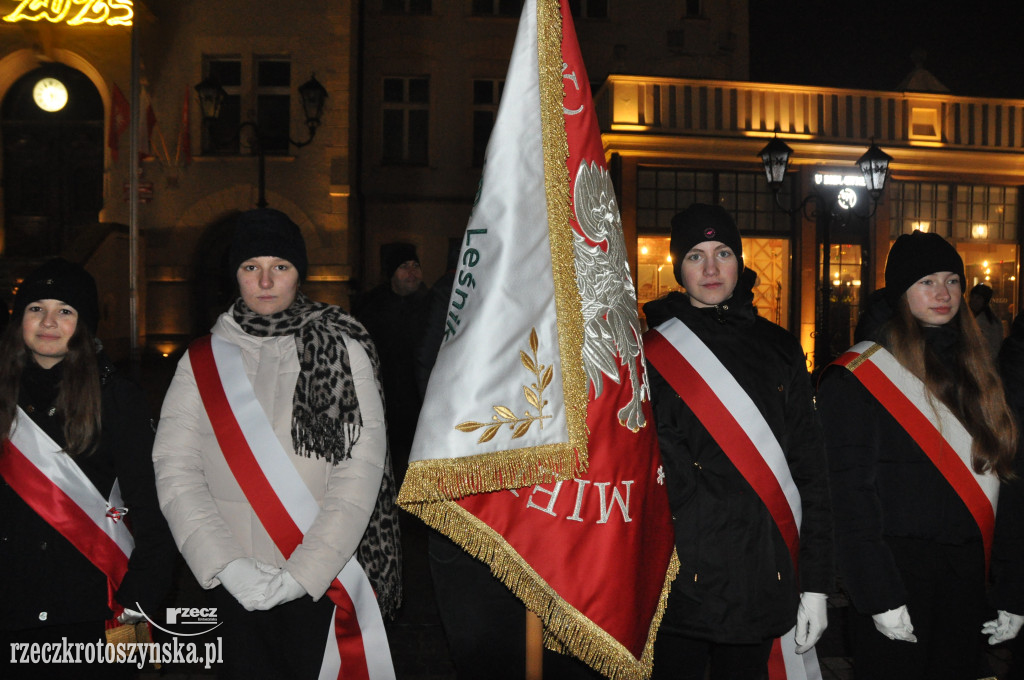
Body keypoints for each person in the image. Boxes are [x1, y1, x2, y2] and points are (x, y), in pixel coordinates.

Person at [152, 209, 402, 679]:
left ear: (298, 273)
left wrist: (303, 574)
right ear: (236, 275)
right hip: (228, 586)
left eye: (280, 267)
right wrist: (225, 565)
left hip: (319, 581)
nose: (265, 280)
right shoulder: (201, 360)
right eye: (251, 267)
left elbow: (360, 469)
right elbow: (176, 469)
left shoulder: (344, 349)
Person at [817, 230, 1024, 680]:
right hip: (896, 574)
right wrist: (877, 594)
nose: (943, 293)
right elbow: (850, 497)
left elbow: (1006, 481)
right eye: (927, 281)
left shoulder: (980, 372)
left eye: (952, 281)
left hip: (969, 576)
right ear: (900, 292)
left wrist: (1013, 589)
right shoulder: (861, 375)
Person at [643, 204, 833, 680]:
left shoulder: (781, 347)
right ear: (678, 267)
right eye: (695, 255)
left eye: (723, 252)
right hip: (679, 581)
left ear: (740, 261)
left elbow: (811, 472)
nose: (710, 268)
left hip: (758, 578)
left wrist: (816, 584)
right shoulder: (649, 353)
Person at [0, 258, 174, 679]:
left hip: (99, 610)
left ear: (84, 324)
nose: (48, 322)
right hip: (12, 606)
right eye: (36, 308)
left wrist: (139, 606)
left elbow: (155, 514)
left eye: (65, 310)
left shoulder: (118, 399)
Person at [355, 242, 429, 482]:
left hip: (420, 406)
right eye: (404, 266)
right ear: (391, 273)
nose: (411, 272)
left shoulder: (430, 306)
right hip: (383, 406)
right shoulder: (371, 308)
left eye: (415, 265)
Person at [970, 283, 1004, 361]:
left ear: (985, 301)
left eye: (978, 298)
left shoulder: (987, 322)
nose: (974, 301)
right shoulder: (972, 318)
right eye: (972, 297)